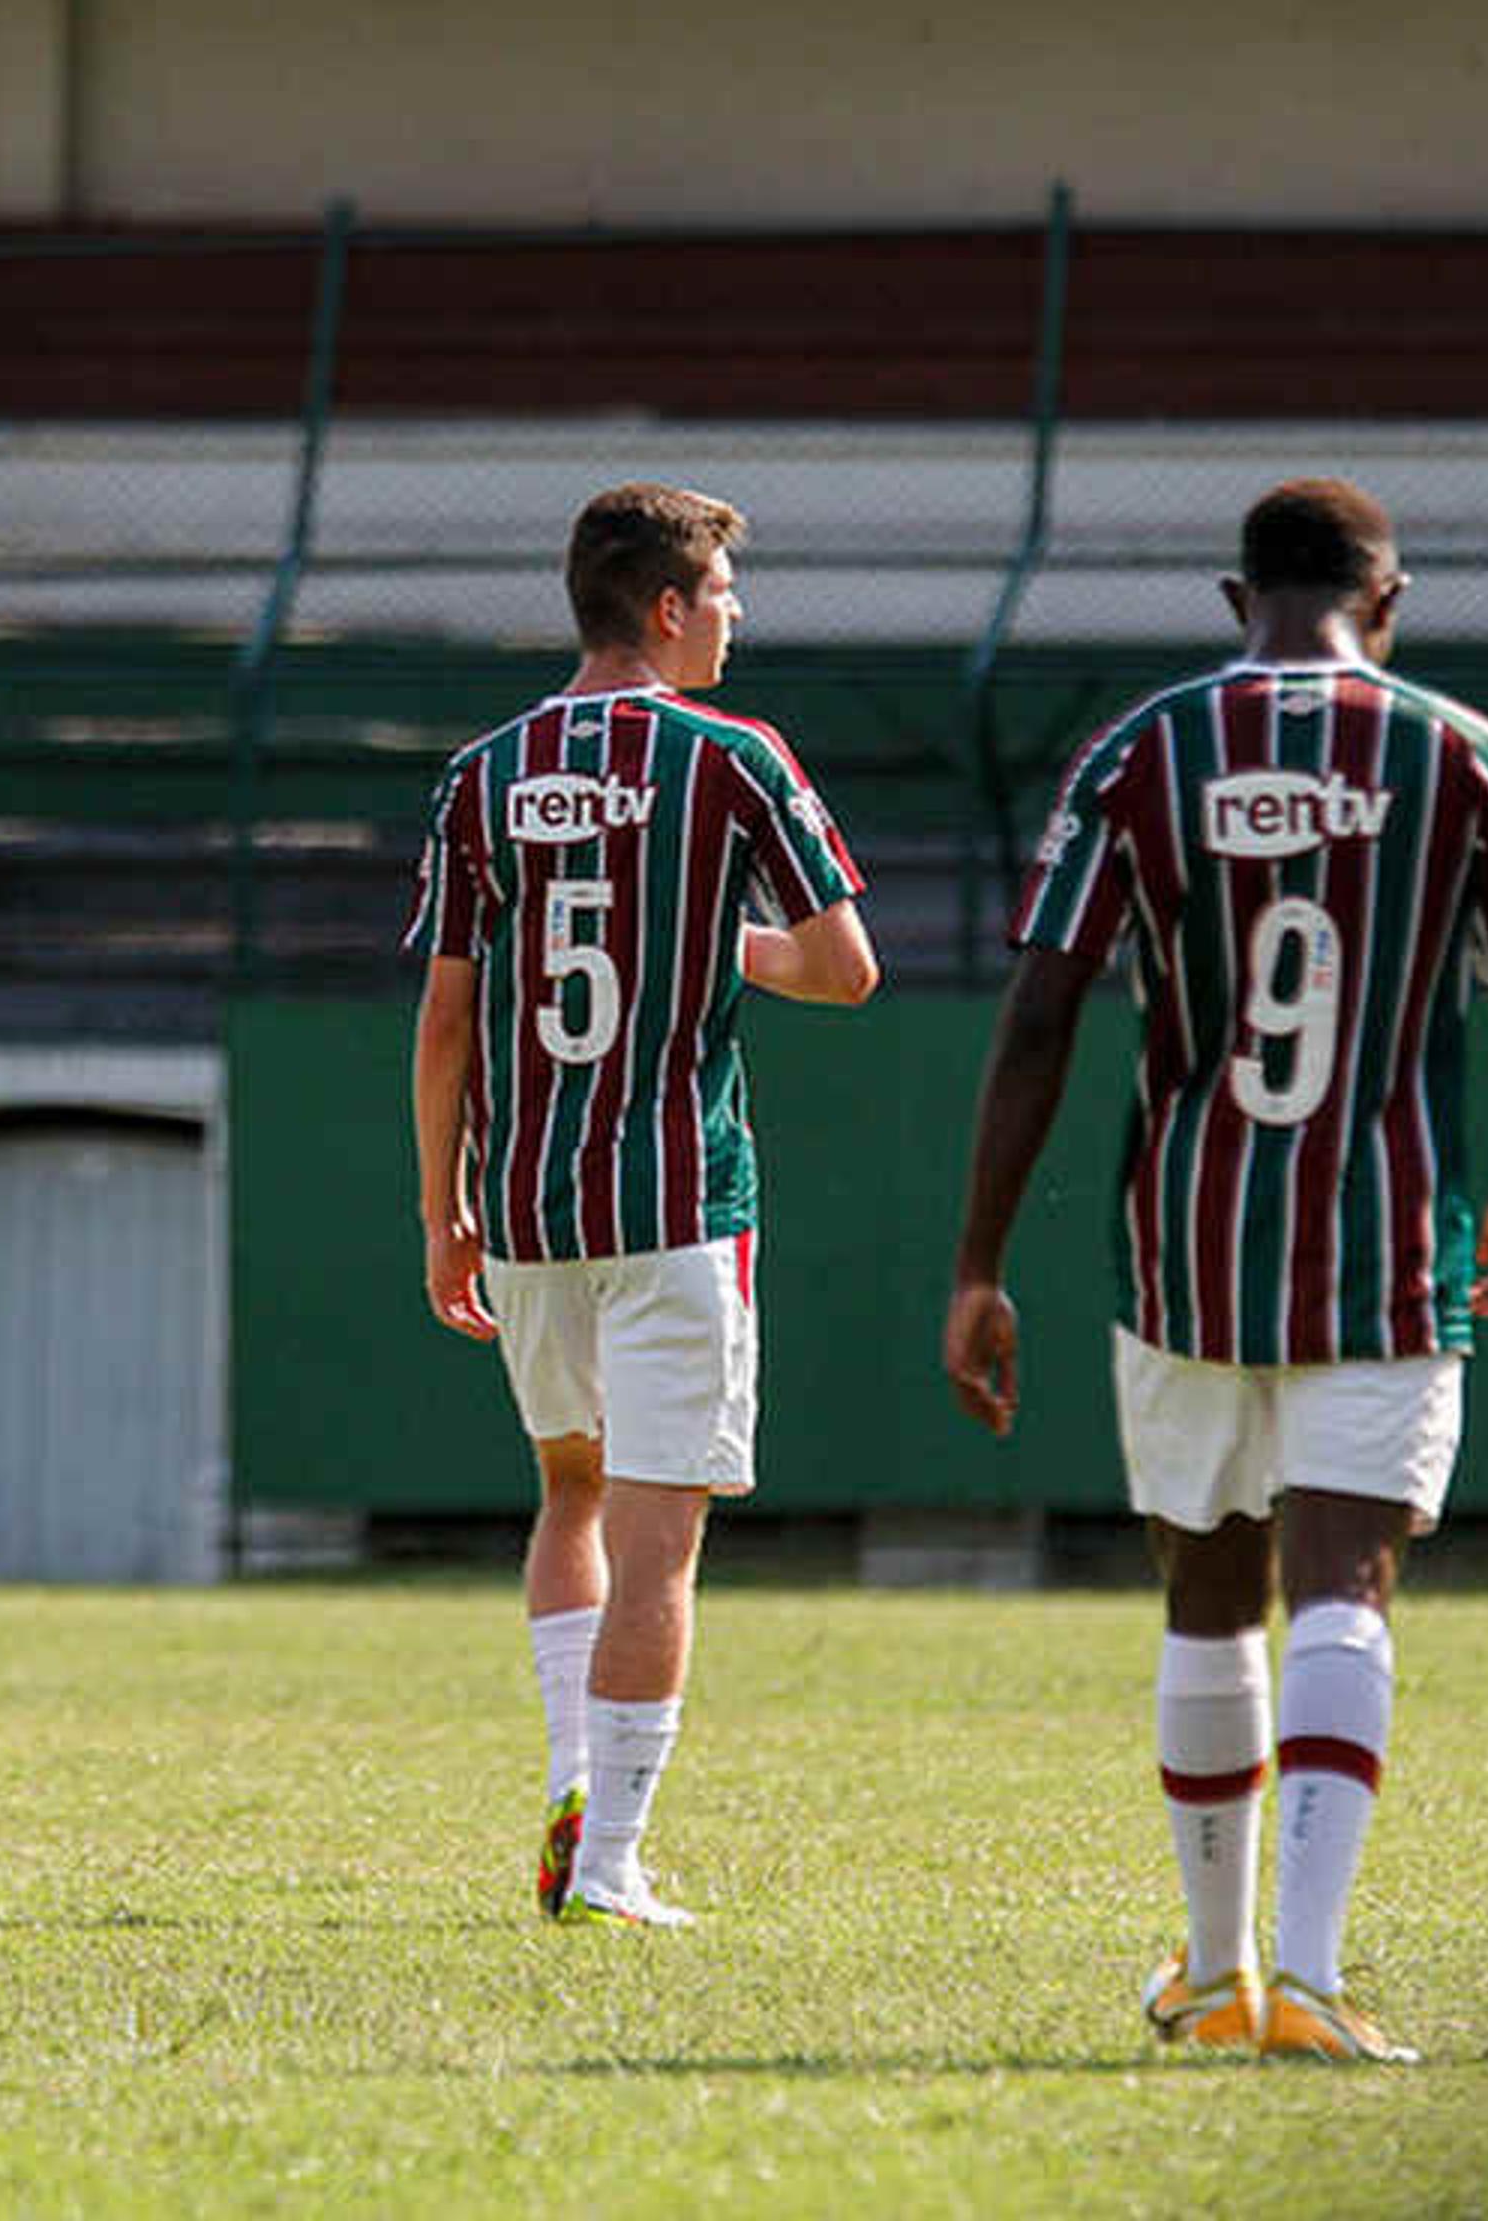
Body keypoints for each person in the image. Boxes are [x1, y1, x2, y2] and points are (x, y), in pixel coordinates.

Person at [944, 478, 1488, 2063]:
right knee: (1347, 1590)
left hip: (1186, 1253)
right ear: (1393, 597)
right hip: (1384, 1242)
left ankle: (1217, 1972)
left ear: (1237, 601)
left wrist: (977, 1259)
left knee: (1211, 1599)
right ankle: (1306, 1971)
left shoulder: (1144, 750)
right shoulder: (1461, 752)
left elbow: (1040, 1009)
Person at [408, 482, 879, 1929]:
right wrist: (715, 943)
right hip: (679, 1200)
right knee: (663, 1533)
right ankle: (609, 1857)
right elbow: (846, 964)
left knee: (572, 1487)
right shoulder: (731, 757)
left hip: (535, 1204)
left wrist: (445, 1210)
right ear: (666, 607)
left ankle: (572, 1780)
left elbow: (444, 1017)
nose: (735, 614)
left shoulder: (483, 772)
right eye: (724, 591)